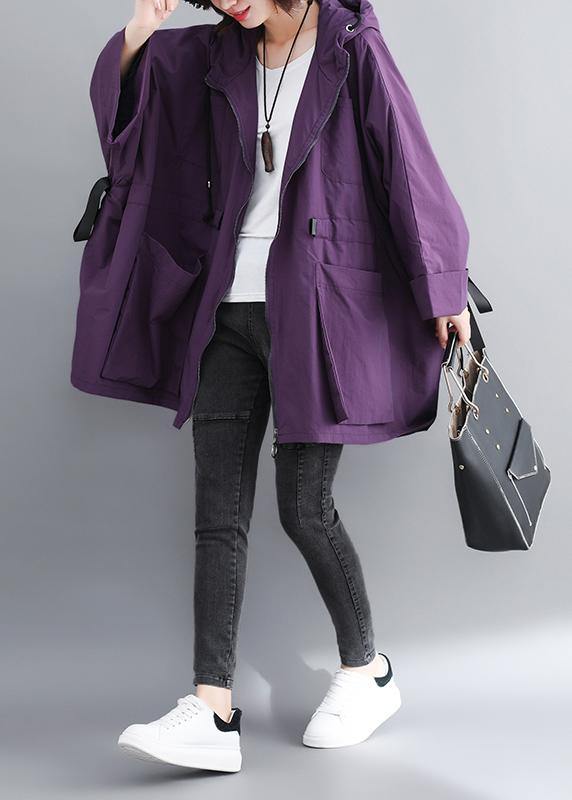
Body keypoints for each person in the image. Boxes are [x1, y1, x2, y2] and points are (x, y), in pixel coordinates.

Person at [91, 0, 471, 773]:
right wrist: (137, 33)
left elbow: (406, 162)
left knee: (304, 505)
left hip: (317, 307)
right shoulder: (212, 55)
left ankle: (367, 670)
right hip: (225, 308)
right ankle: (212, 708)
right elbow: (131, 117)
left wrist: (443, 286)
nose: (227, 2)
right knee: (217, 515)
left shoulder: (351, 45)